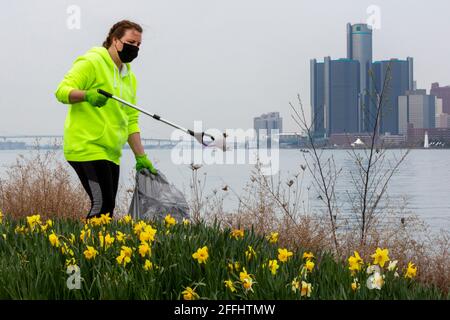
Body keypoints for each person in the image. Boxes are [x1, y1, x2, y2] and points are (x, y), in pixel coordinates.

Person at [55, 20, 157, 220]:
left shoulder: (129, 77)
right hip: (86, 146)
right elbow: (61, 92)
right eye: (130, 42)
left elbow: (131, 118)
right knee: (102, 205)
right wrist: (87, 95)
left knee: (108, 209)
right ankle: (84, 249)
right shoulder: (92, 62)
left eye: (138, 45)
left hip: (111, 152)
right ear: (115, 40)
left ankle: (100, 248)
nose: (134, 48)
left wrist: (141, 157)